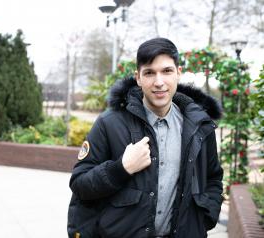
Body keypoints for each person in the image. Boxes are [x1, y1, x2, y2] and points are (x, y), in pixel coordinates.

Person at [67, 38, 223, 238]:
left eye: (166, 71)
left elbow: (213, 177)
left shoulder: (199, 125)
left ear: (178, 73)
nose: (159, 82)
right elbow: (80, 184)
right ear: (138, 77)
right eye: (149, 73)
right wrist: (120, 168)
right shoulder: (110, 123)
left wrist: (204, 217)